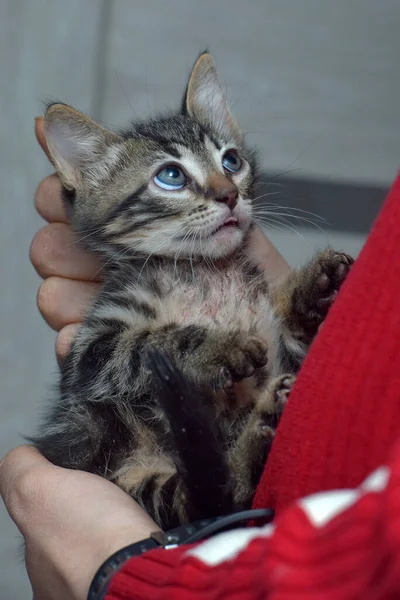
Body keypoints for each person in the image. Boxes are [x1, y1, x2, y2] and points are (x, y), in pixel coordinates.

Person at [1, 118, 400, 600]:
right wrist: (203, 350)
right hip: (148, 469)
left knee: (275, 378)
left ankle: (238, 466)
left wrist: (108, 565)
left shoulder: (244, 276)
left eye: (229, 162)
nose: (224, 188)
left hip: (224, 547)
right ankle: (226, 478)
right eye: (171, 176)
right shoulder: (133, 285)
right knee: (116, 457)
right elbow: (96, 365)